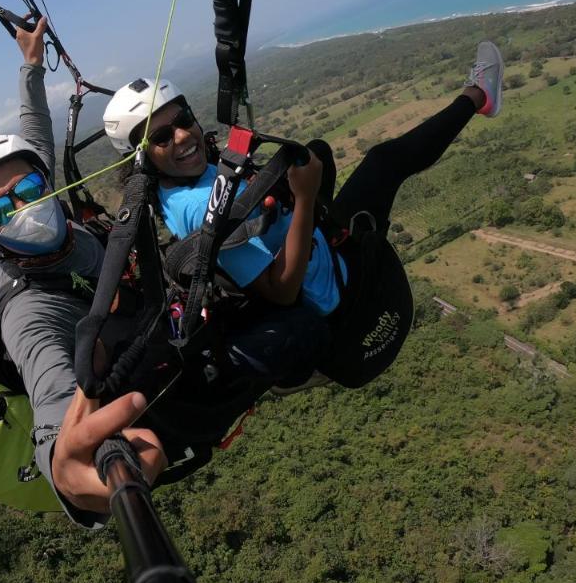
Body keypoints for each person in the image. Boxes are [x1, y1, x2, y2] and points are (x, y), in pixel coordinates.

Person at [102, 41, 506, 384]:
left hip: (306, 243)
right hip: (332, 294)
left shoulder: (183, 179)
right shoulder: (197, 210)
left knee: (318, 151)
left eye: (184, 118)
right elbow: (282, 290)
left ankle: (477, 98)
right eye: (160, 136)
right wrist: (307, 199)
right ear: (141, 159)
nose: (182, 135)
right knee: (384, 163)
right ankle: (480, 95)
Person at [0, 18, 165, 523]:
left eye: (28, 190)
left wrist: (31, 65)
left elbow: (35, 131)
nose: (23, 208)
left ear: (45, 183)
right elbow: (54, 402)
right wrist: (65, 465)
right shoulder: (27, 313)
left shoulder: (43, 193)